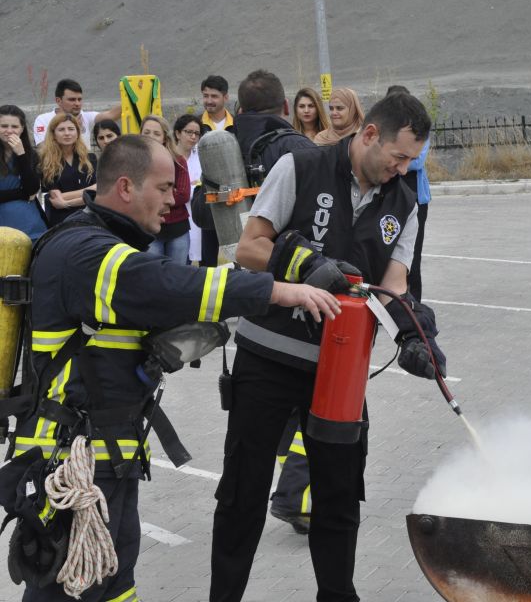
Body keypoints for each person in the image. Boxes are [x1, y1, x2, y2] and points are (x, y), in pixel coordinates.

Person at [9, 133, 340, 602]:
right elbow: (167, 285)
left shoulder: (102, 242)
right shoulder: (85, 252)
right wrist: (276, 291)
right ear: (126, 187)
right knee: (74, 588)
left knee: (111, 581)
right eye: (165, 188)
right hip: (73, 463)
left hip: (105, 457)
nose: (174, 200)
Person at [210, 91, 444, 602]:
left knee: (338, 499)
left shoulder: (403, 202)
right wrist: (303, 265)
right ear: (368, 136)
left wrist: (415, 336)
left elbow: (395, 286)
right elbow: (249, 248)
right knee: (243, 495)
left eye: (412, 161)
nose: (403, 170)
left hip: (339, 370)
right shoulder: (300, 167)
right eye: (398, 156)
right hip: (267, 357)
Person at [388, 85, 433, 300]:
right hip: (388, 198)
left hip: (416, 199)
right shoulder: (383, 131)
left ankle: (414, 304)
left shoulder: (420, 132)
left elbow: (417, 161)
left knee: (411, 258)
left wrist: (395, 154)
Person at [140, 115, 190, 264]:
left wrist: (152, 195)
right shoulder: (134, 162)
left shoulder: (178, 161)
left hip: (177, 229)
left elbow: (183, 194)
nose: (151, 137)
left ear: (164, 138)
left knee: (178, 277)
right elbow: (137, 195)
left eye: (156, 133)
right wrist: (168, 192)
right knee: (153, 278)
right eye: (146, 132)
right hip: (148, 230)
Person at [37, 114, 96, 227]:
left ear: (77, 133)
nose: (67, 133)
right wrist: (88, 191)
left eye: (71, 129)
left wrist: (66, 202)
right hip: (61, 220)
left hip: (90, 217)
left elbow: (97, 194)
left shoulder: (90, 158)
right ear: (53, 134)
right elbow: (54, 197)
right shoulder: (46, 162)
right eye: (61, 129)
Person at [0, 105, 46, 241]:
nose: (9, 131)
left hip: (28, 224)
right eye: (4, 126)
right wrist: (21, 194)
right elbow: (27, 193)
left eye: (14, 126)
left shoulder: (31, 154)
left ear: (22, 128)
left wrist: (21, 155)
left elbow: (32, 188)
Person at [32, 79, 120, 145]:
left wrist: (131, 97)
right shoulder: (43, 119)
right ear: (58, 101)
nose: (77, 103)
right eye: (72, 100)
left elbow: (111, 116)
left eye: (79, 99)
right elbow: (42, 148)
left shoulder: (85, 117)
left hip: (83, 167)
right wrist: (73, 128)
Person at [173, 114, 205, 263]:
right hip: (175, 218)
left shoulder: (201, 157)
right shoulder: (169, 157)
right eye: (189, 132)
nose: (193, 137)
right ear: (178, 133)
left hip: (196, 214)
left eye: (197, 134)